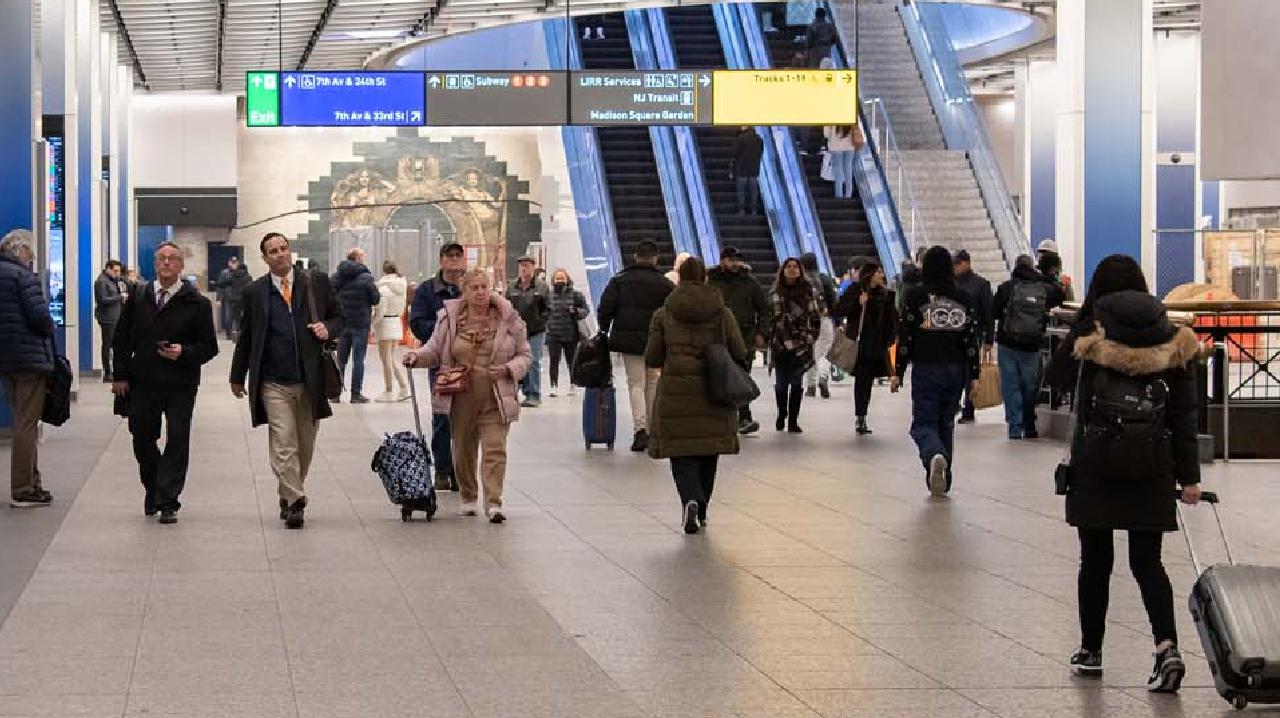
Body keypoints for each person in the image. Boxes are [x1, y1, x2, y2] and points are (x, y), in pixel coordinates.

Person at [1045, 254, 1201, 692]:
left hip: (1095, 462)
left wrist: (1080, 329)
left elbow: (1055, 378)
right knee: (1147, 562)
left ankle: (1091, 651)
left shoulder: (1092, 330)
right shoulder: (1173, 336)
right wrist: (1189, 478)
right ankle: (1166, 648)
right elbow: (1184, 416)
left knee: (1095, 561)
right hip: (1153, 464)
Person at [230, 233, 342, 529]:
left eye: (283, 248)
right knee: (283, 442)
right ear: (265, 258)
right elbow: (247, 336)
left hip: (310, 380)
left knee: (305, 445)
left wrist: (328, 328)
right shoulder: (255, 292)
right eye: (273, 251)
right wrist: (237, 375)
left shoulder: (315, 282)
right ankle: (295, 501)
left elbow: (339, 317)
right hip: (273, 382)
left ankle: (288, 490)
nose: (280, 254)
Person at [404, 269, 531, 523]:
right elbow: (434, 350)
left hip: (496, 395)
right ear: (465, 291)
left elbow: (525, 355)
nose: (481, 292)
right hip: (461, 396)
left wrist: (508, 369)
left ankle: (494, 503)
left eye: (485, 287)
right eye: (475, 288)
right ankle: (469, 495)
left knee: (495, 448)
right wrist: (416, 357)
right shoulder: (448, 318)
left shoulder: (509, 318)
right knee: (463, 449)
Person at [112, 243, 219, 524]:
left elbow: (209, 347)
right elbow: (121, 339)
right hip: (143, 381)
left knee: (178, 439)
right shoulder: (138, 297)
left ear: (182, 265)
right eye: (162, 258)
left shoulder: (197, 303)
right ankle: (154, 487)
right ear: (155, 263)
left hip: (180, 383)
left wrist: (184, 352)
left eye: (173, 259)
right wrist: (119, 375)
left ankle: (168, 499)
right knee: (142, 438)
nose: (167, 263)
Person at [646, 257, 746, 534]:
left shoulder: (663, 314)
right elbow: (739, 350)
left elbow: (652, 356)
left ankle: (690, 498)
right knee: (708, 450)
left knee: (681, 452)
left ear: (679, 278)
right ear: (705, 278)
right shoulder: (722, 312)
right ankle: (701, 508)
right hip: (715, 388)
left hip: (676, 390)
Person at [892, 246, 981, 497]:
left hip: (927, 367)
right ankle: (943, 478)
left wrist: (898, 370)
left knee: (922, 424)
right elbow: (970, 339)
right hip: (956, 370)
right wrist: (974, 376)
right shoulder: (963, 297)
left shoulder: (915, 296)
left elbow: (906, 337)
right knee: (946, 423)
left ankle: (934, 455)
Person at [598, 239, 675, 452]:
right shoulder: (665, 284)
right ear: (655, 258)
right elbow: (673, 312)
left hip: (629, 341)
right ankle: (651, 430)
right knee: (652, 382)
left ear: (635, 257)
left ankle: (640, 430)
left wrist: (604, 329)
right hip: (656, 341)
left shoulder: (619, 280)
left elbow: (605, 307)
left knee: (636, 383)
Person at [0, 230, 55, 508]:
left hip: (6, 360)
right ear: (20, 250)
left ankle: (32, 482)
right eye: (30, 254)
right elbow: (40, 317)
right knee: (27, 424)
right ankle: (23, 488)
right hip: (29, 359)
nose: (30, 259)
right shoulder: (22, 276)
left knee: (20, 418)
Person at [409, 242, 466, 492]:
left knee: (466, 419)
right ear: (441, 260)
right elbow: (417, 323)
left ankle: (462, 471)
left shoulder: (471, 286)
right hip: (442, 363)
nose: (454, 259)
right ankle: (443, 470)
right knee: (442, 416)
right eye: (449, 255)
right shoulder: (427, 290)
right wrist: (445, 332)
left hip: (470, 361)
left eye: (458, 255)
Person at [992, 255, 1065, 439]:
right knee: (1030, 387)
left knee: (1011, 386)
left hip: (1008, 344)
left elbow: (993, 312)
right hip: (1032, 345)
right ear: (1033, 267)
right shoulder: (1043, 288)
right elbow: (1061, 296)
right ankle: (1029, 425)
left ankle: (1015, 428)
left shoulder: (1006, 288)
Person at [833, 261, 899, 435]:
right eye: (878, 272)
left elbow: (891, 319)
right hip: (860, 343)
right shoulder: (856, 290)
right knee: (863, 380)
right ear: (869, 274)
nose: (881, 275)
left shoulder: (887, 295)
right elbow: (839, 310)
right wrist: (858, 303)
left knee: (868, 380)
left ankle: (862, 414)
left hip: (878, 343)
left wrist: (891, 339)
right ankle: (861, 416)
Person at [709, 246, 770, 434]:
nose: (735, 263)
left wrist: (761, 332)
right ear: (722, 261)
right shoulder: (711, 281)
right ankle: (723, 418)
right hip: (717, 337)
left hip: (745, 338)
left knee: (742, 377)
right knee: (719, 378)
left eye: (737, 260)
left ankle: (744, 418)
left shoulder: (750, 283)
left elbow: (764, 309)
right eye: (730, 260)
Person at [768, 258, 822, 433]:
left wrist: (811, 336)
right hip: (781, 343)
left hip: (802, 345)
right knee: (781, 385)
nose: (792, 270)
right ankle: (782, 413)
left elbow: (815, 317)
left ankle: (793, 420)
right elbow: (777, 319)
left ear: (800, 271)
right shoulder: (776, 293)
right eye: (788, 267)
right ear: (783, 271)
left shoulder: (808, 293)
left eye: (795, 267)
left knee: (797, 384)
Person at [330, 247, 380, 404]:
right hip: (360, 324)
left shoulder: (336, 277)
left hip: (343, 323)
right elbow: (375, 299)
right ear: (358, 259)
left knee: (340, 360)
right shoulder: (366, 277)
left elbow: (330, 297)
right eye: (362, 257)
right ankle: (355, 395)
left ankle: (335, 394)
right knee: (358, 360)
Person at [953, 250, 995, 424]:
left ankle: (968, 409)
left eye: (957, 264)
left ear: (967, 263)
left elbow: (989, 314)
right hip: (953, 334)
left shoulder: (981, 285)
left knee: (970, 372)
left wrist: (989, 339)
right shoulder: (952, 283)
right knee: (955, 372)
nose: (955, 267)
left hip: (973, 335)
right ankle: (953, 405)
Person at [505, 256, 550, 408]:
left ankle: (534, 395)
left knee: (533, 361)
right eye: (522, 265)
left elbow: (549, 308)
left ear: (533, 267)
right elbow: (506, 307)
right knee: (515, 361)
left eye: (527, 265)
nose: (524, 268)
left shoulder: (542, 287)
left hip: (536, 331)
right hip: (516, 332)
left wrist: (541, 321)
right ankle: (515, 392)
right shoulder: (512, 287)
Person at [545, 269, 588, 397]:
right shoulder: (548, 296)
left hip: (571, 334)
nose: (560, 281)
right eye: (557, 278)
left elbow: (585, 310)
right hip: (553, 334)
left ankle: (572, 384)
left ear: (567, 279)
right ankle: (553, 386)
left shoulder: (576, 295)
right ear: (553, 280)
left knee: (572, 361)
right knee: (554, 361)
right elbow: (543, 311)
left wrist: (576, 311)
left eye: (562, 278)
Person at [800, 253, 838, 399]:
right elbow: (833, 300)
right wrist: (836, 319)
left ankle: (810, 387)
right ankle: (823, 377)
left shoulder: (800, 280)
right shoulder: (824, 279)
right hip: (823, 319)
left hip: (806, 321)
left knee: (809, 352)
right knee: (824, 351)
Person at [374, 260, 411, 403]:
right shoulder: (401, 286)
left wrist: (372, 323)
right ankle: (403, 387)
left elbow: (380, 312)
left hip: (385, 324)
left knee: (386, 360)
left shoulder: (383, 289)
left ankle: (389, 391)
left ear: (384, 271)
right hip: (396, 322)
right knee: (392, 358)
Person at [94, 260, 125, 381]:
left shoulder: (114, 281)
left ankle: (114, 370)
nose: (117, 274)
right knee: (107, 345)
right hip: (107, 318)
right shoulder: (102, 281)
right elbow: (102, 299)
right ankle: (107, 372)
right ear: (108, 269)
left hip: (115, 316)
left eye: (119, 271)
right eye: (115, 271)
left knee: (115, 344)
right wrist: (120, 297)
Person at [215, 256, 252, 340]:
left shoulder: (243, 273)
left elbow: (248, 284)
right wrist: (218, 299)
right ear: (229, 263)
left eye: (235, 262)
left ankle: (239, 334)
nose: (234, 264)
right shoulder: (225, 273)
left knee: (239, 317)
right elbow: (220, 286)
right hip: (228, 299)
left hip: (240, 299)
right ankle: (228, 335)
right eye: (232, 262)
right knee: (228, 317)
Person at [823, 125, 864, 200]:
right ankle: (848, 195)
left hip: (836, 146)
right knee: (848, 169)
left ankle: (839, 196)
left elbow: (826, 134)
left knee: (838, 170)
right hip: (849, 145)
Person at [732, 126, 764, 217]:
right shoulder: (759, 140)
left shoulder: (741, 138)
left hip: (742, 170)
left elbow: (734, 152)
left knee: (741, 191)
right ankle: (753, 211)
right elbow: (761, 153)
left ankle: (742, 211)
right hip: (754, 170)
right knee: (753, 192)